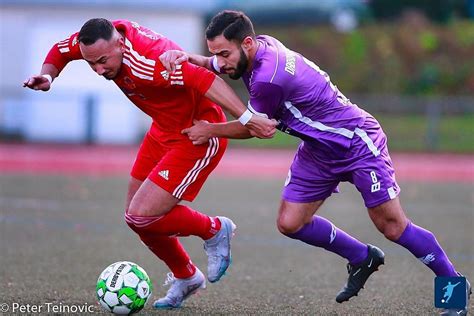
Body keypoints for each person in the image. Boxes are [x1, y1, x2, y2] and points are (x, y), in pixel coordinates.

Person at [160, 10, 471, 315]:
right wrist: (187, 58)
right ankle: (362, 257)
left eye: (225, 54)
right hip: (319, 149)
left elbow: (255, 128)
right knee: (290, 223)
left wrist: (209, 129)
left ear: (247, 44)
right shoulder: (262, 46)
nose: (221, 62)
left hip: (356, 142)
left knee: (392, 226)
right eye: (216, 53)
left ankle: (453, 286)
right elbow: (214, 64)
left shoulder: (268, 80)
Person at [23, 18, 277, 309]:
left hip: (195, 132)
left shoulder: (149, 60)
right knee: (136, 218)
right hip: (162, 129)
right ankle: (187, 276)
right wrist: (48, 76)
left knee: (143, 215)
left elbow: (206, 79)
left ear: (120, 44)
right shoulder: (96, 42)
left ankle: (215, 229)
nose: (99, 70)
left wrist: (247, 118)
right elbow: (60, 50)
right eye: (92, 64)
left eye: (103, 61)